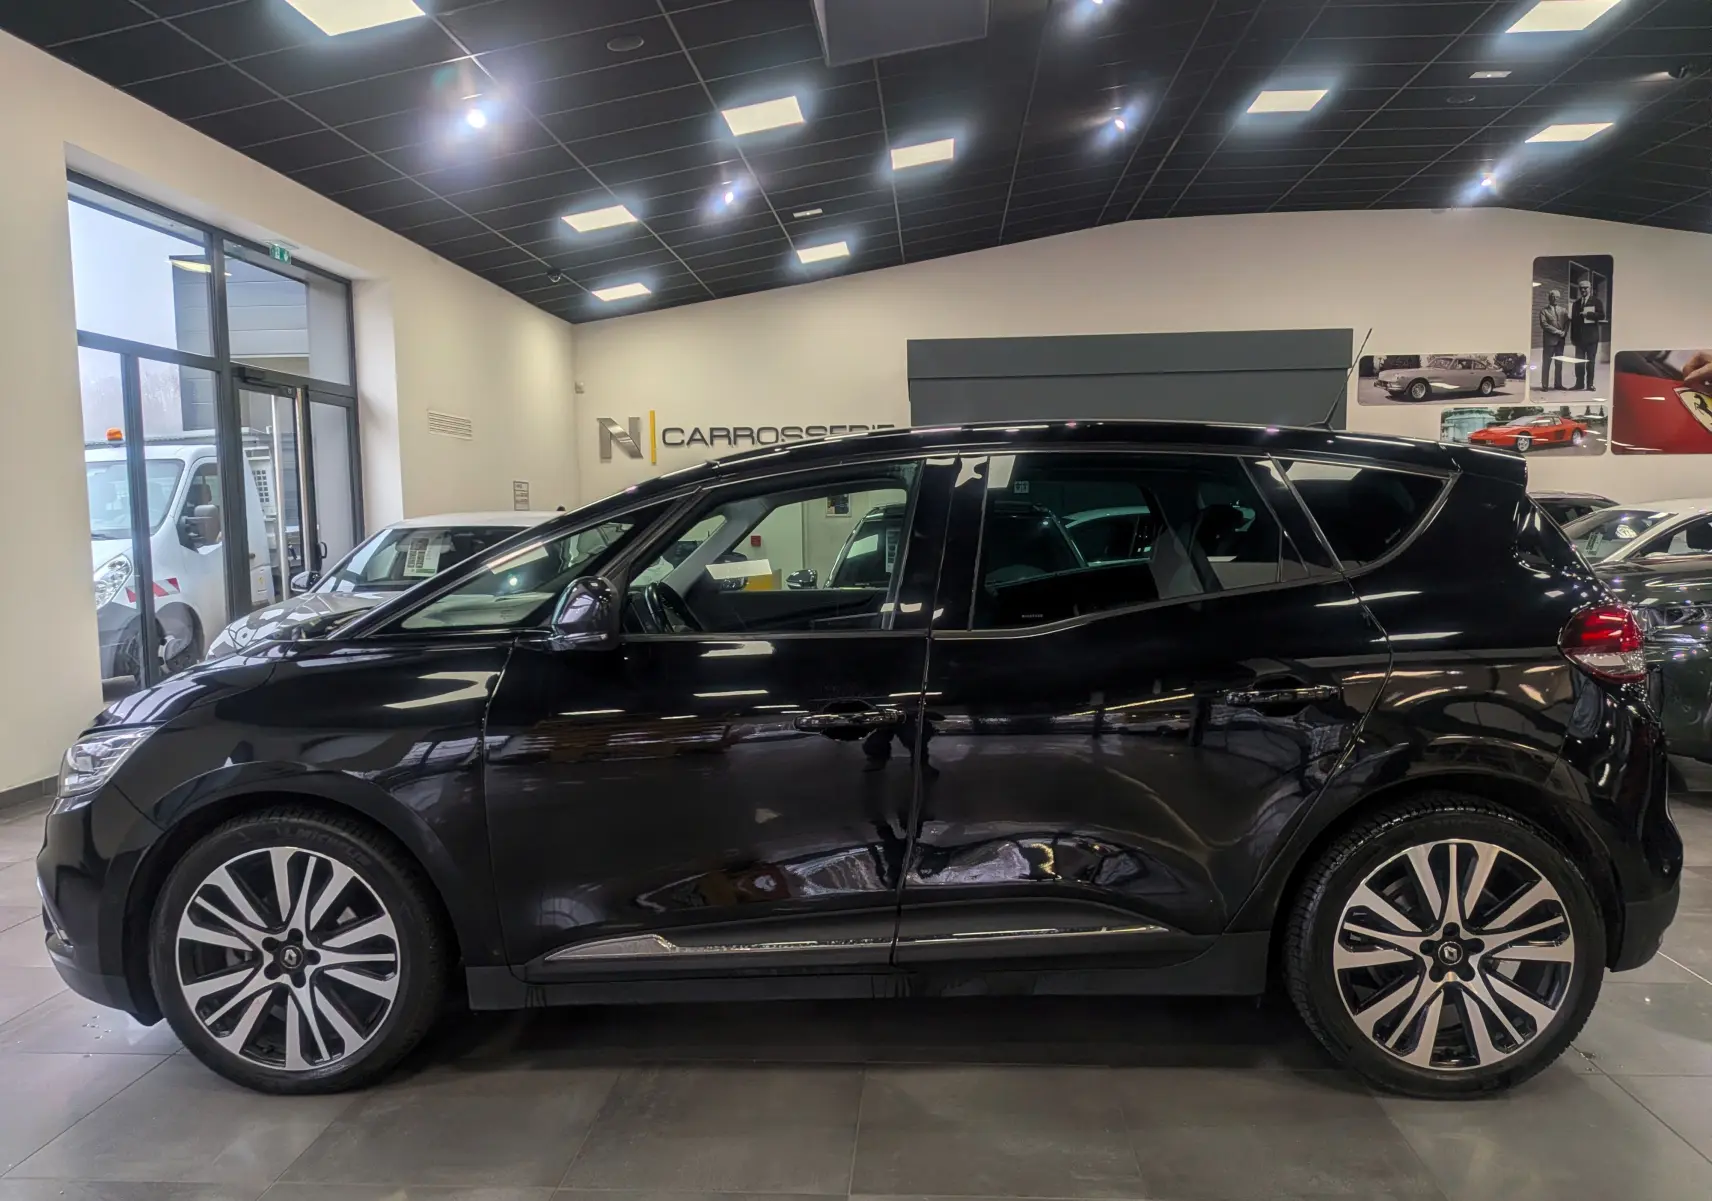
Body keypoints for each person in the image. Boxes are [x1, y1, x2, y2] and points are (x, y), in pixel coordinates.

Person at [1568, 278, 1606, 392]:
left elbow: (1602, 316)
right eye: (1581, 288)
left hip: (1591, 338)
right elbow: (1574, 322)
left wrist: (1588, 314)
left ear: (1590, 289)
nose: (1583, 290)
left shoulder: (1596, 301)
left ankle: (1590, 384)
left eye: (1586, 288)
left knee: (1590, 362)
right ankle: (1579, 384)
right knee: (1579, 362)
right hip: (1579, 339)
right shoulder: (1576, 304)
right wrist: (1573, 338)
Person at [1539, 289, 1568, 390]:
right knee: (1546, 363)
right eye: (1553, 296)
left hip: (1560, 341)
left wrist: (1565, 332)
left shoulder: (1563, 310)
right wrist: (1558, 331)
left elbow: (1567, 322)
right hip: (1549, 342)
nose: (1555, 299)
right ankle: (1545, 385)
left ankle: (1558, 384)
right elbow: (1544, 325)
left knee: (1559, 363)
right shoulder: (1544, 311)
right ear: (1549, 298)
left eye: (1557, 297)